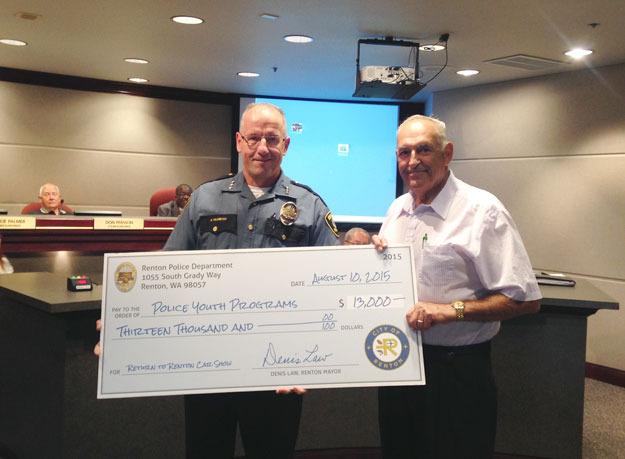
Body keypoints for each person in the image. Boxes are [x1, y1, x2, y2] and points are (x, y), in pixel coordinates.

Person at [95, 103, 339, 459]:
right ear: (239, 141)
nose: (262, 148)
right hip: (207, 367)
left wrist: (317, 361)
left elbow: (333, 283)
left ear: (286, 144)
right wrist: (123, 327)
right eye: (253, 138)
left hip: (277, 369)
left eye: (272, 139)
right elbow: (166, 274)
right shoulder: (204, 198)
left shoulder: (310, 206)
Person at [373, 115, 541, 459]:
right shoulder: (397, 209)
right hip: (398, 367)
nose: (412, 161)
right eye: (404, 153)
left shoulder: (483, 211)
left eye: (424, 150)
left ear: (446, 154)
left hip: (456, 373)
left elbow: (524, 299)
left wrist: (452, 311)